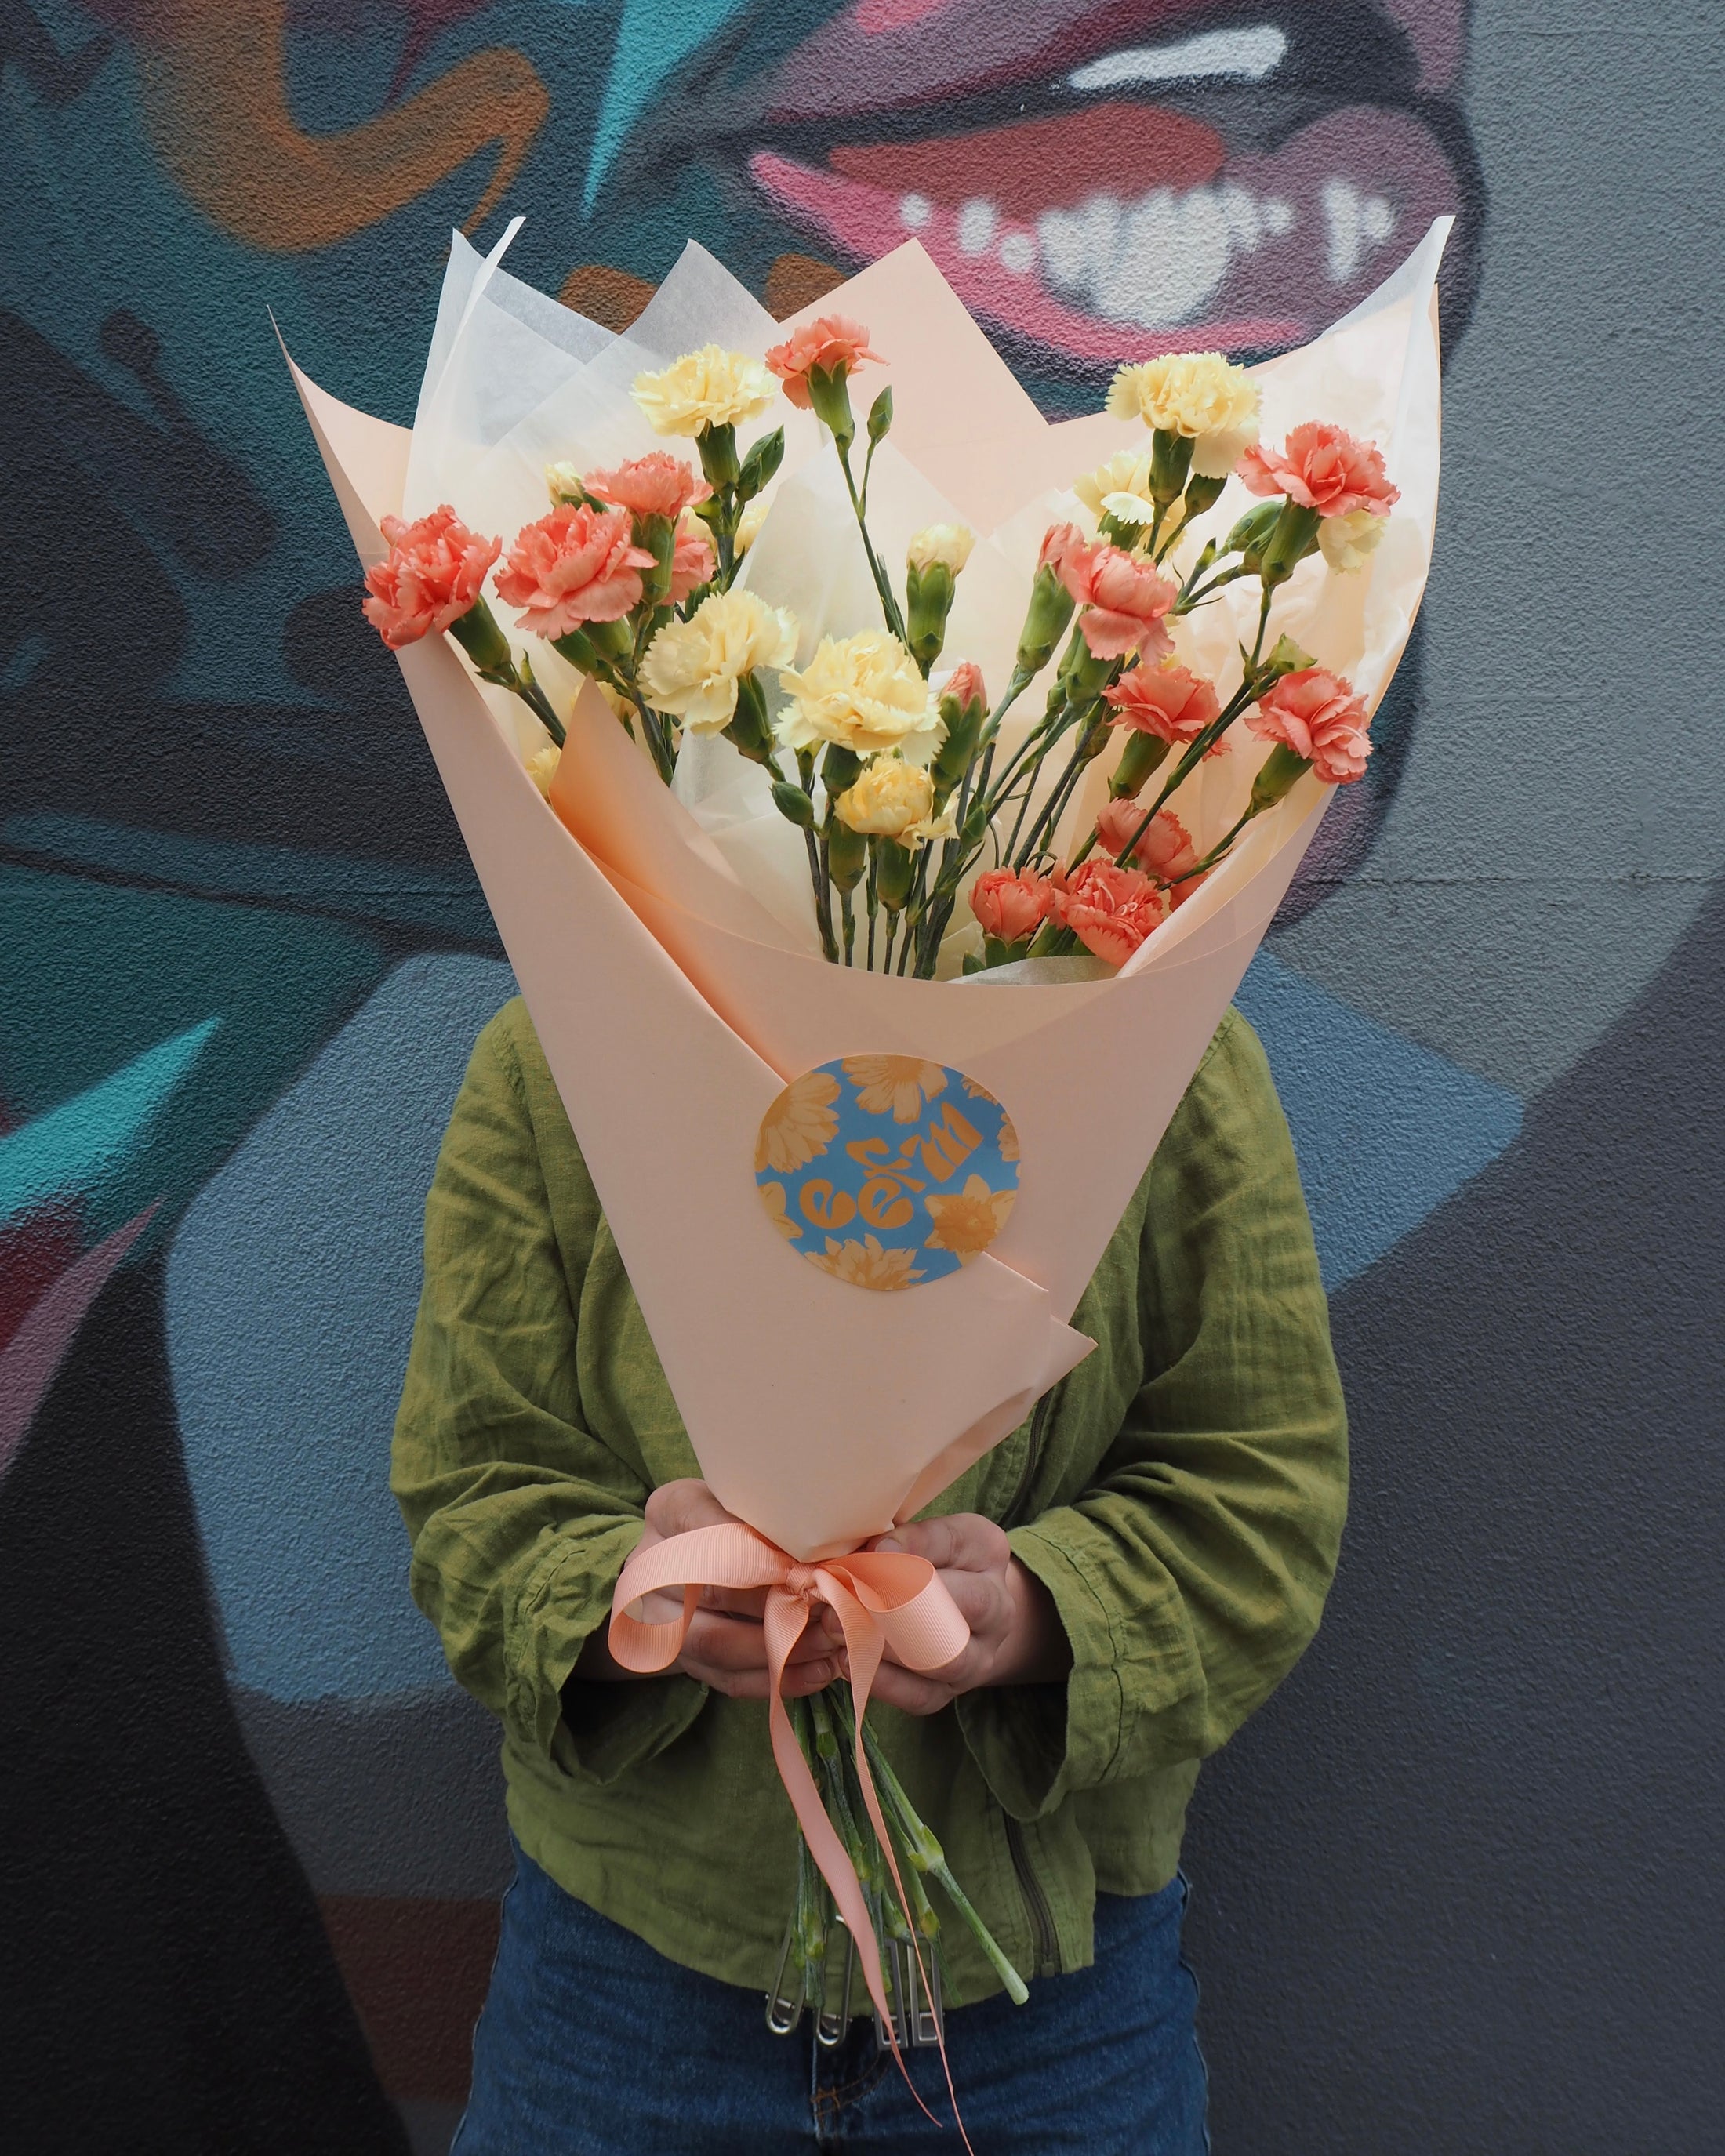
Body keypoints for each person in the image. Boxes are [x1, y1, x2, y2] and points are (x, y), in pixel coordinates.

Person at [393, 994, 1348, 2154]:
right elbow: (472, 1488)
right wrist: (647, 1596)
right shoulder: (564, 1043)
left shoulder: (1166, 1052)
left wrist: (1030, 1617)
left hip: (1050, 2018)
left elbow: (1260, 1498)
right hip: (626, 1997)